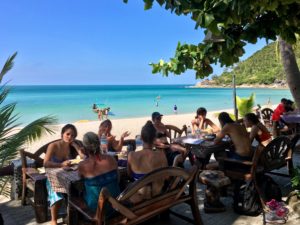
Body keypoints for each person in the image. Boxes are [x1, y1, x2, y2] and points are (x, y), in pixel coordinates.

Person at [44, 124, 85, 225]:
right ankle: (54, 220)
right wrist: (60, 164)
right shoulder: (53, 146)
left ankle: (75, 216)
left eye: (73, 135)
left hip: (68, 174)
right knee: (55, 192)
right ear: (62, 134)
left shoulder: (72, 146)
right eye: (68, 134)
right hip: (52, 175)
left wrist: (76, 146)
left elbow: (84, 157)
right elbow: (45, 163)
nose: (70, 137)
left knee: (81, 185)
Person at [78, 132, 120, 215]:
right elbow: (118, 179)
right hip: (117, 205)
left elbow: (80, 181)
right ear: (99, 143)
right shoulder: (111, 159)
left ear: (85, 148)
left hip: (97, 210)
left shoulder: (82, 165)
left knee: (76, 194)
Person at [127, 121, 168, 203]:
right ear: (154, 139)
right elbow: (167, 177)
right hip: (157, 195)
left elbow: (129, 175)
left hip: (140, 198)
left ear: (141, 138)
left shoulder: (132, 155)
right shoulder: (161, 155)